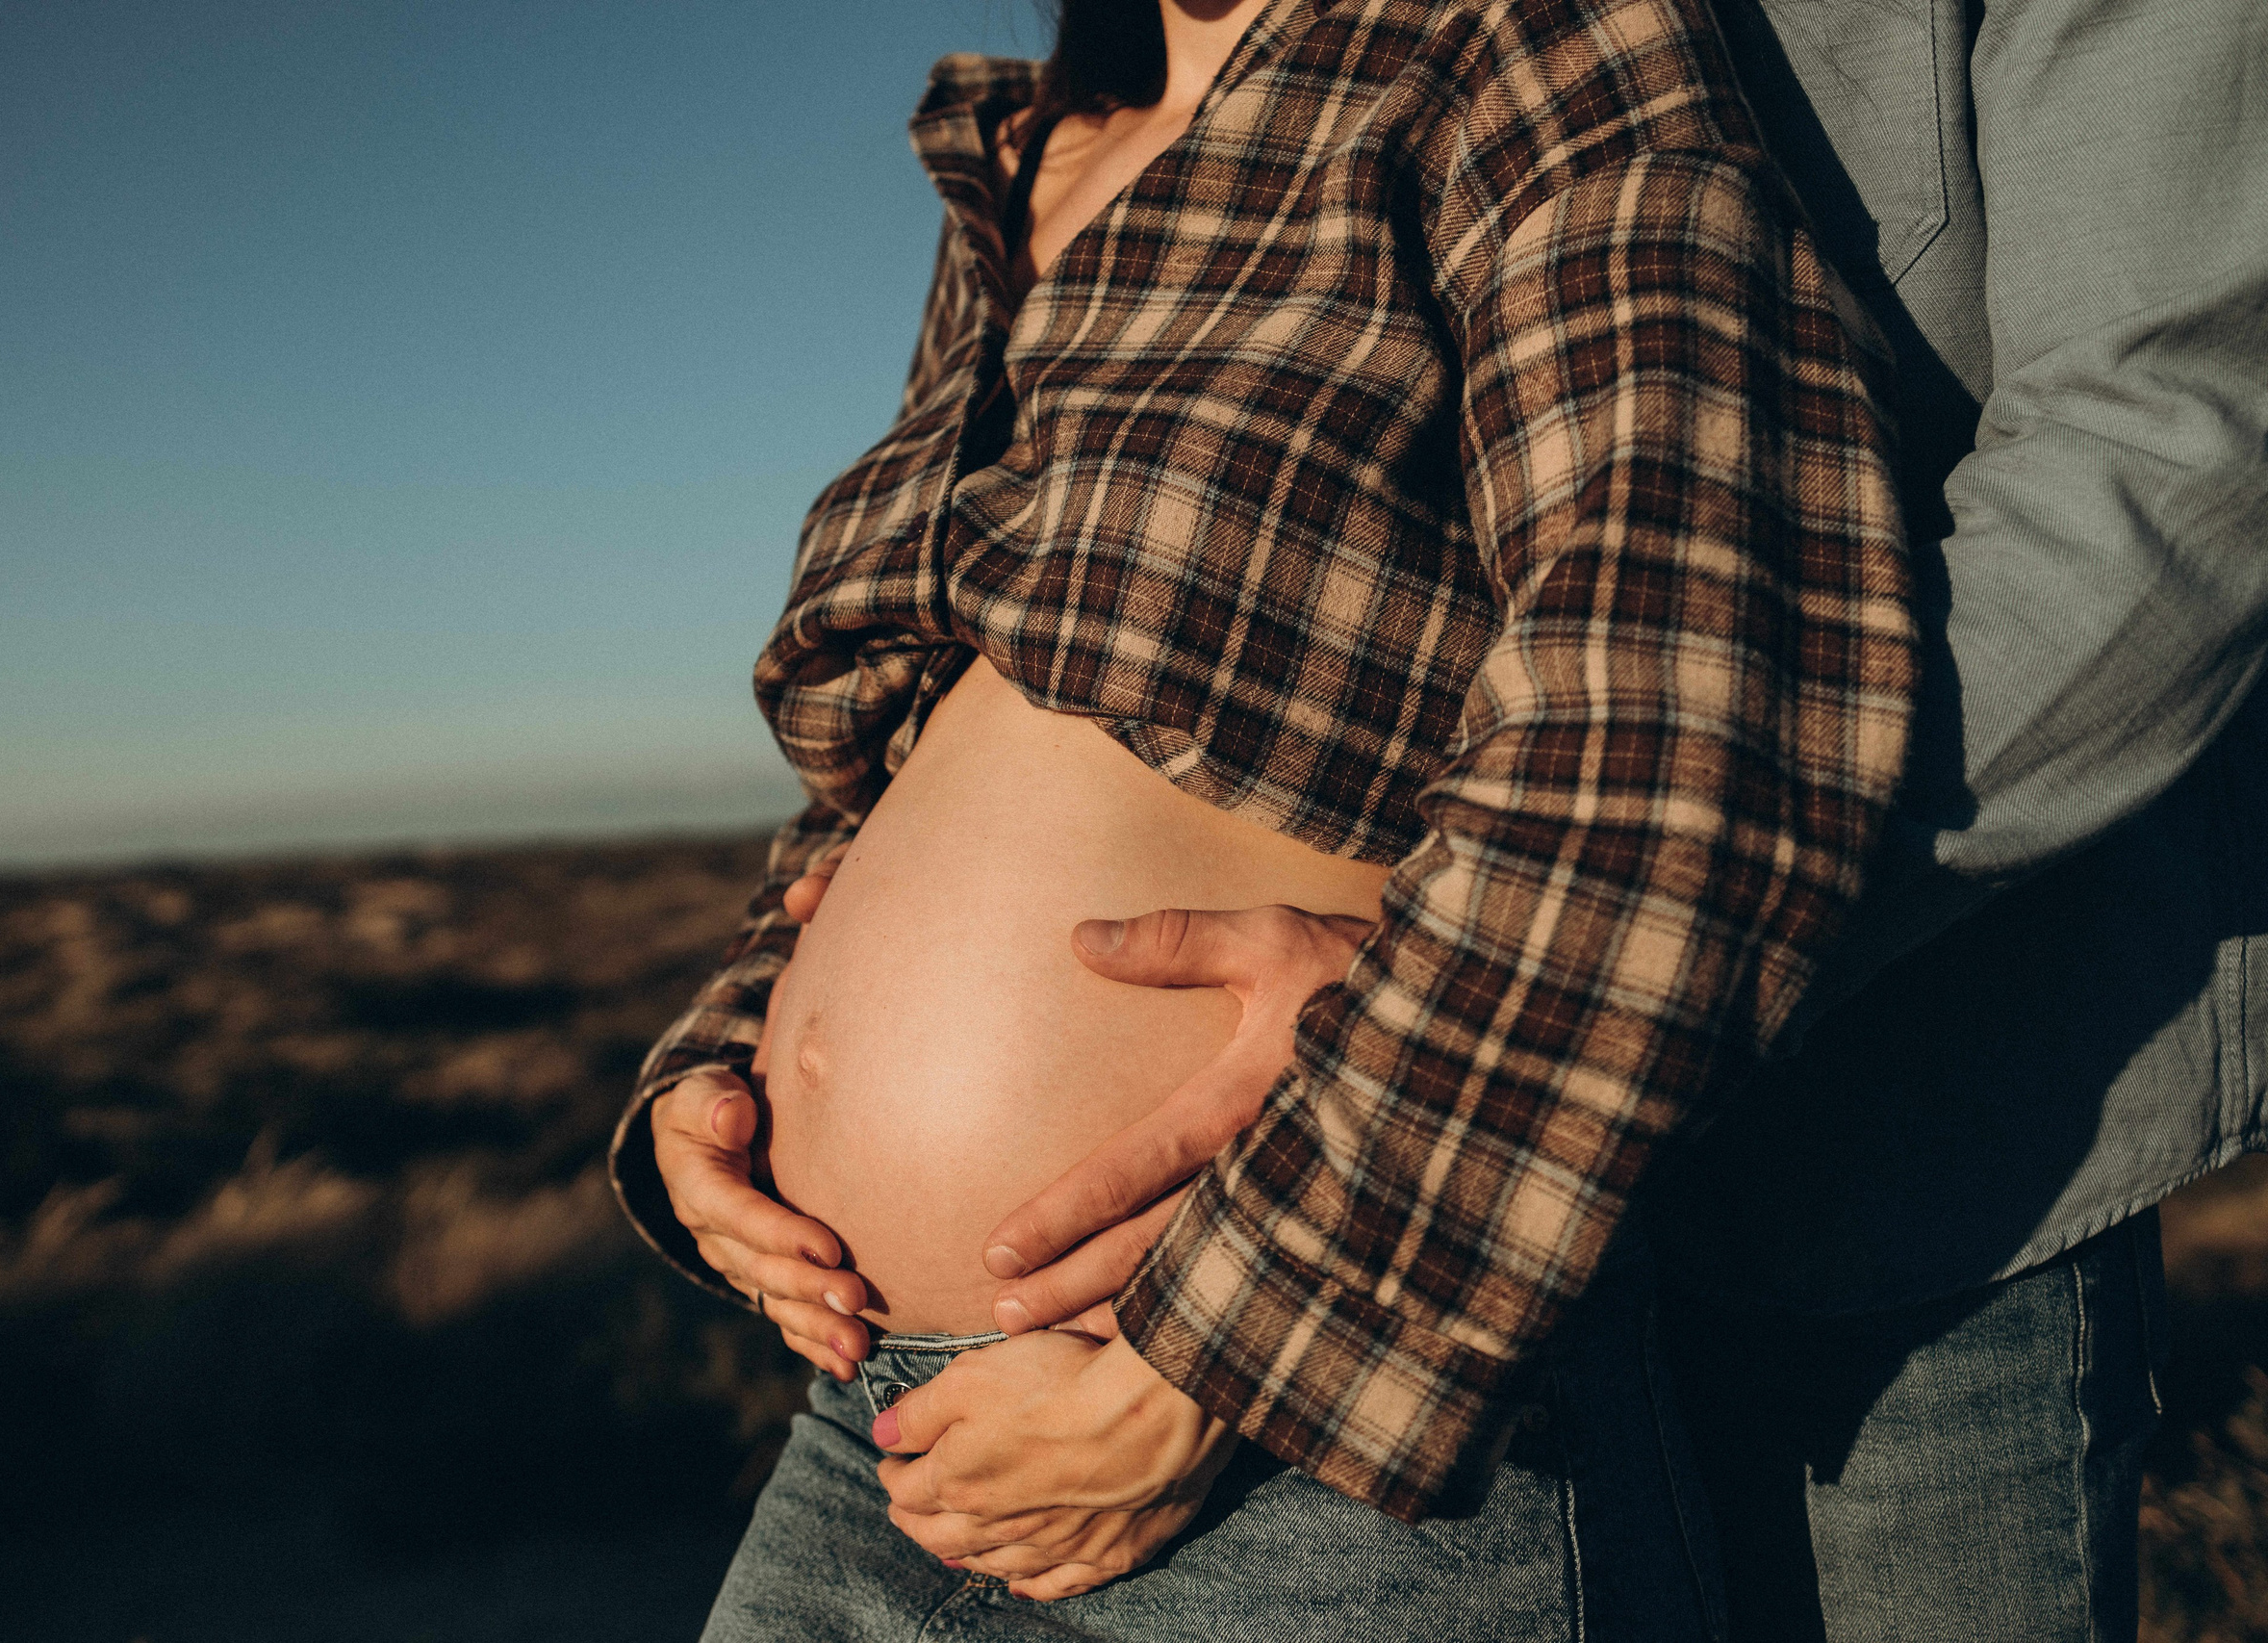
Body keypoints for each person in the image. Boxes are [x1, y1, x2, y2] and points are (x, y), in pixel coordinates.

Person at [770, 0, 2268, 1637]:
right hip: (1313, 1175)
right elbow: (999, 666)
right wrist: (738, 1054)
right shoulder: (1136, 124)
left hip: (1880, 1137)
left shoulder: (1517, 39)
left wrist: (1484, 981)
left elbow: (2168, 463)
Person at [610, 0, 1919, 1632]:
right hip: (871, 1407)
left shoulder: (1516, 41)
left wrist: (1237, 1344)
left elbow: (1687, 702)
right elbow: (894, 763)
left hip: (1298, 1418)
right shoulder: (1021, 160)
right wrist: (722, 1075)